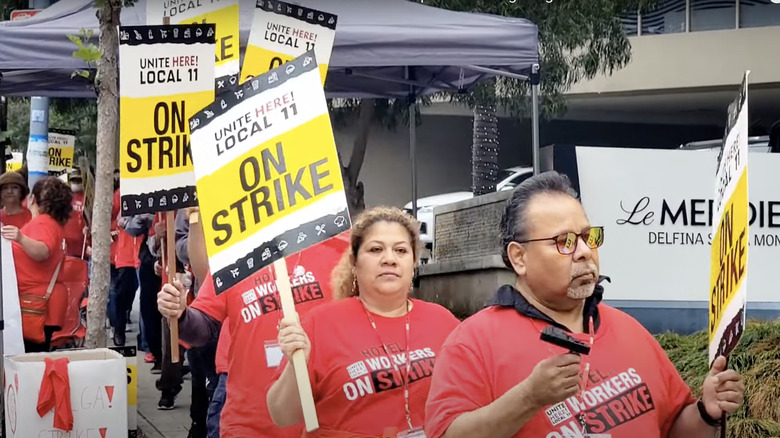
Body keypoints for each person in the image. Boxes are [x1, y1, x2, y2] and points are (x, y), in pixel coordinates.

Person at [423, 171, 746, 438]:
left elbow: (673, 428)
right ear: (519, 257)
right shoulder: (474, 342)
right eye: (564, 242)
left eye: (589, 237)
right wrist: (528, 398)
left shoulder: (628, 329)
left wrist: (706, 411)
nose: (583, 252)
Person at [267, 206, 461, 437]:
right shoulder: (321, 324)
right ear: (354, 261)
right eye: (376, 249)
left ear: (414, 262)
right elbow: (282, 415)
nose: (389, 259)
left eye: (400, 250)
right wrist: (296, 365)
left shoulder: (443, 322)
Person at [158, 207, 349, 437]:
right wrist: (180, 314)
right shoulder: (236, 254)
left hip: (325, 421)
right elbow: (202, 328)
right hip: (248, 423)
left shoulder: (341, 248)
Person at [1, 176, 72, 352]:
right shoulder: (51, 223)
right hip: (38, 303)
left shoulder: (43, 222)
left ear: (33, 199)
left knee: (30, 359)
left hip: (34, 304)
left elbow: (42, 251)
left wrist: (20, 237)